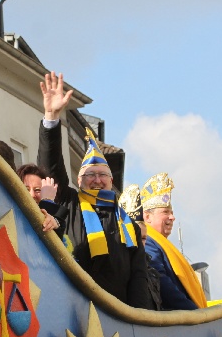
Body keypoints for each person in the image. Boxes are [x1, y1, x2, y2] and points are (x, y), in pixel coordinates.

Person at [37, 72, 154, 309]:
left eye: (103, 175)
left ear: (111, 181)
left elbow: (139, 277)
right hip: (75, 308)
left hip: (117, 315)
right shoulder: (70, 204)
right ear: (79, 180)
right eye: (91, 175)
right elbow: (51, 167)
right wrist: (51, 118)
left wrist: (137, 318)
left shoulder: (128, 225)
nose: (97, 180)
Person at [140, 173, 207, 311]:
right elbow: (162, 283)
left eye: (171, 212)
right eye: (165, 212)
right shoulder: (148, 242)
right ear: (147, 217)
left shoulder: (160, 243)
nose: (172, 217)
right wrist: (194, 311)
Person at [16, 163, 66, 239]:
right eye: (26, 189)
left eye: (37, 190)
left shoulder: (57, 224)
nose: (32, 195)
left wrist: (47, 202)